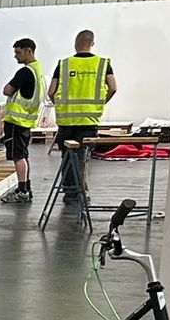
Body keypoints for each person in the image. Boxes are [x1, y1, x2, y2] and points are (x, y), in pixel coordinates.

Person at [47, 30, 118, 205]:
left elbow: (51, 92)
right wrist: (100, 103)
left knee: (67, 157)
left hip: (66, 121)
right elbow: (113, 87)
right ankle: (78, 193)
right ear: (92, 44)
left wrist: (62, 106)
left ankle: (70, 191)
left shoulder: (64, 64)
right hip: (88, 121)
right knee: (81, 158)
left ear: (76, 44)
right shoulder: (103, 64)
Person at [0, 37, 44, 204]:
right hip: (26, 122)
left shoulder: (25, 72)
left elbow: (7, 90)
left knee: (18, 156)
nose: (15, 56)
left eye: (18, 52)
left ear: (28, 51)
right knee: (23, 155)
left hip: (16, 121)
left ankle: (22, 191)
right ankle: (26, 187)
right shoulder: (38, 70)